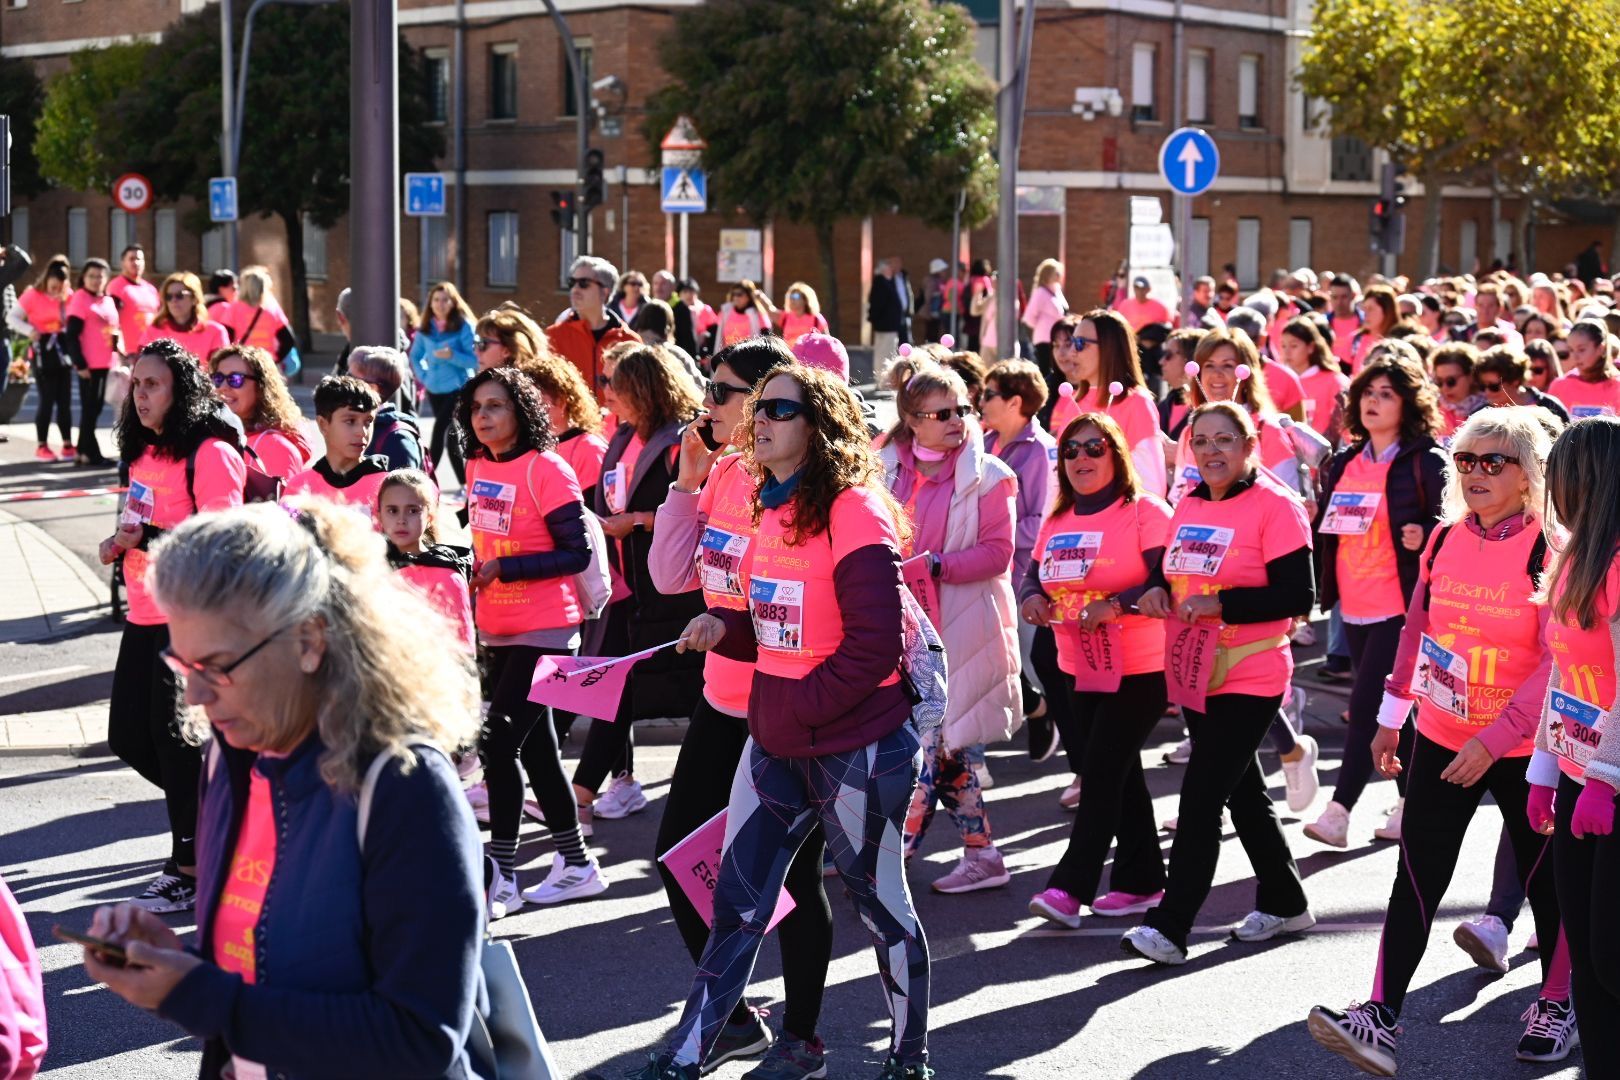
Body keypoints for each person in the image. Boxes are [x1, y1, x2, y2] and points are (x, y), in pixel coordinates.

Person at [81, 501, 489, 1079]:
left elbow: (420, 1037)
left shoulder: (403, 784)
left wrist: (202, 996)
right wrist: (177, 965)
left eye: (217, 666)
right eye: (183, 665)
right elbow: (261, 973)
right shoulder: (229, 757)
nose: (195, 695)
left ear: (309, 640)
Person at [626, 364, 931, 1080]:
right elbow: (774, 629)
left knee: (881, 907)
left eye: (780, 410)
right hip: (777, 742)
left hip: (858, 746)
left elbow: (872, 648)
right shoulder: (767, 503)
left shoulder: (856, 510)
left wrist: (792, 709)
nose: (759, 419)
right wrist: (723, 628)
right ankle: (690, 1051)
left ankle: (907, 1059)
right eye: (758, 407)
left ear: (820, 427)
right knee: (736, 901)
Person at [1308, 407, 1575, 1075]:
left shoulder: (1552, 546)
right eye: (1466, 460)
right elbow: (1417, 629)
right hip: (1441, 733)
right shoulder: (1445, 536)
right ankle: (1380, 1017)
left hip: (1527, 750)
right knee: (1416, 876)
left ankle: (1556, 1003)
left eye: (1494, 461)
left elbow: (1557, 660)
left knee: (1548, 884)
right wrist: (1392, 715)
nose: (1476, 472)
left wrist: (1497, 737)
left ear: (1528, 472)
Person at [647, 337, 838, 1076]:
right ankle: (732, 1018)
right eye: (711, 390)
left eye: (725, 393)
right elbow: (670, 577)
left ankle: (802, 1034)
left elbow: (796, 612)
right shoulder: (724, 472)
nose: (711, 405)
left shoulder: (807, 489)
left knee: (794, 878)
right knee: (680, 857)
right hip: (720, 703)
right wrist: (685, 484)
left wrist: (727, 628)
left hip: (787, 710)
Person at [1123, 401, 1316, 966]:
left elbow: (1299, 595)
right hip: (1195, 669)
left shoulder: (1277, 506)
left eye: (1224, 440)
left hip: (1253, 672)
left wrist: (1223, 604)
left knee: (1202, 796)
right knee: (1243, 792)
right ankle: (1285, 901)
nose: (1211, 451)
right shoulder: (1188, 501)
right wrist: (1156, 588)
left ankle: (1171, 926)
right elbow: (1171, 569)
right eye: (1201, 441)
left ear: (1248, 445)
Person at [99, 338, 248, 912]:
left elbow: (222, 541)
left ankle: (188, 866)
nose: (140, 395)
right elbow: (139, 517)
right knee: (127, 737)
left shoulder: (210, 451)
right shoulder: (143, 449)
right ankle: (221, 814)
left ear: (179, 391)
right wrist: (120, 543)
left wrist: (151, 538)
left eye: (153, 385)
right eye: (136, 384)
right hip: (144, 611)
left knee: (175, 744)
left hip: (190, 616)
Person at [459, 364, 605, 915]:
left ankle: (502, 874)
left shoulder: (547, 468)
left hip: (549, 629)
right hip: (496, 627)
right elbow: (486, 538)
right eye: (476, 408)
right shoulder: (476, 465)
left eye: (495, 405)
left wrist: (507, 569)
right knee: (537, 748)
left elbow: (576, 554)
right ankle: (577, 864)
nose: (484, 416)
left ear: (521, 411)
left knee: (498, 742)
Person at [1023, 412, 1173, 927]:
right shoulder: (1059, 518)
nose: (1080, 458)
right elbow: (1033, 576)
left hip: (1142, 667)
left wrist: (1117, 604)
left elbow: (1166, 579)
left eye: (1093, 447)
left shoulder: (1145, 511)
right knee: (1120, 774)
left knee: (1102, 774)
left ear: (1117, 455)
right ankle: (1142, 881)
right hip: (1078, 666)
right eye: (1071, 450)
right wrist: (1032, 598)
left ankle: (1070, 886)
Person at [879, 360, 1019, 893]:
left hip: (958, 628)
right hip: (896, 626)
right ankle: (982, 854)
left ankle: (891, 859)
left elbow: (998, 553)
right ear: (913, 420)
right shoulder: (882, 465)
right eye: (942, 413)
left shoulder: (991, 476)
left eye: (962, 409)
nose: (957, 420)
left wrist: (936, 565)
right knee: (943, 749)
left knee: (928, 745)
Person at [1303, 349, 1447, 847]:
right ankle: (1411, 805)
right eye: (1368, 392)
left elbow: (1454, 524)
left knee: (1367, 708)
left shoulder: (1426, 459)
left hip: (1401, 608)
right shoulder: (1344, 461)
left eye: (1387, 394)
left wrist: (1423, 533)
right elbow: (1330, 530)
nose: (1374, 401)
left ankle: (1339, 811)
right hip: (1354, 604)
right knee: (1397, 712)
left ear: (1408, 404)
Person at [571, 345, 707, 833]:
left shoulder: (681, 442)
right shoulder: (624, 435)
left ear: (645, 391)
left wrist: (639, 521)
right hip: (623, 585)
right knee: (615, 684)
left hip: (667, 590)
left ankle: (581, 796)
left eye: (617, 386)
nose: (606, 394)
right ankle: (601, 790)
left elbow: (701, 511)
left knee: (626, 686)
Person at [1525, 416, 1620, 1079]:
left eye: (1558, 475)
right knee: (1583, 951)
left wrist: (1605, 778)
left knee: (1612, 956)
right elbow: (1564, 669)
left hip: (1610, 787)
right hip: (1576, 775)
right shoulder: (1572, 554)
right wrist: (1544, 769)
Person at [1054, 309, 1168, 497]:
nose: (1071, 351)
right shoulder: (1074, 402)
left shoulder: (1137, 402)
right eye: (1072, 342)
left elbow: (1151, 487)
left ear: (1109, 348)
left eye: (1080, 343)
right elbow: (1058, 480)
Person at [379, 468, 474, 651]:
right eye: (392, 510)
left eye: (412, 511)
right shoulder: (371, 568)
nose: (401, 520)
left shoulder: (446, 577)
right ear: (378, 516)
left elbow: (462, 651)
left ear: (429, 517)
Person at [283, 376, 393, 517]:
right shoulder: (299, 487)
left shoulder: (387, 487)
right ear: (323, 424)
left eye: (368, 421)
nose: (362, 432)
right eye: (350, 421)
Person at [208, 344, 313, 481]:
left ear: (260, 387)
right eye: (218, 379)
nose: (223, 387)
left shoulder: (275, 447)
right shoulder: (214, 434)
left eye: (235, 379)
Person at [408, 281, 478, 487]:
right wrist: (424, 377)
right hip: (434, 388)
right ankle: (464, 485)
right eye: (436, 300)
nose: (440, 304)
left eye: (445, 300)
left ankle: (424, 481)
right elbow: (415, 356)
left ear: (453, 302)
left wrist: (452, 355)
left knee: (439, 430)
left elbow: (474, 360)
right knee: (451, 435)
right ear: (430, 303)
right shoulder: (426, 328)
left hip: (458, 388)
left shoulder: (464, 326)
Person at [520, 350, 610, 507]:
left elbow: (595, 512)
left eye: (534, 403)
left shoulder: (589, 449)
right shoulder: (531, 445)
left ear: (561, 402)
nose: (527, 410)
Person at [9, 255, 75, 461]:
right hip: (42, 355)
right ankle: (42, 446)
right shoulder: (33, 295)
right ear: (46, 279)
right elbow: (11, 317)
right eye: (53, 286)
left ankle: (67, 444)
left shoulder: (68, 296)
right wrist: (30, 331)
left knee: (64, 401)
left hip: (62, 354)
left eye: (60, 287)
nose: (56, 291)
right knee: (47, 400)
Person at [64, 258, 124, 467]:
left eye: (100, 276)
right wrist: (80, 364)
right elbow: (71, 336)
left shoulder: (107, 300)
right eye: (91, 276)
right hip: (89, 365)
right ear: (84, 278)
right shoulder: (80, 298)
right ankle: (91, 453)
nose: (96, 280)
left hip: (105, 362)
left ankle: (82, 452)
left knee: (94, 409)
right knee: (90, 409)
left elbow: (113, 329)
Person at [550, 256, 641, 391]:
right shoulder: (553, 337)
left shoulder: (630, 341)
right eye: (572, 282)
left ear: (605, 292)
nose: (575, 289)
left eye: (584, 283)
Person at [347, 346, 425, 471]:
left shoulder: (398, 440)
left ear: (372, 388)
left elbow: (406, 484)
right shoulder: (350, 423)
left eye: (351, 378)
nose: (344, 382)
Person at [1278, 316, 1349, 442]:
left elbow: (1342, 427)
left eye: (1294, 346)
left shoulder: (1335, 381)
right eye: (1283, 346)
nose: (1287, 352)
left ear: (1311, 347)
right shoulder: (1279, 380)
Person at [141, 272, 230, 363]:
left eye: (179, 295)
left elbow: (221, 368)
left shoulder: (216, 331)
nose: (174, 300)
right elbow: (143, 365)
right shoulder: (153, 331)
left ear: (194, 299)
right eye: (169, 297)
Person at [1474, 344, 1571, 424]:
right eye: (1482, 386)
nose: (1487, 392)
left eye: (1493, 386)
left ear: (1514, 380)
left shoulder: (1550, 407)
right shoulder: (1480, 416)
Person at [226, 266, 297, 369]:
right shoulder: (273, 308)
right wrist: (276, 359)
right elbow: (288, 339)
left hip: (242, 362)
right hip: (266, 362)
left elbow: (226, 338)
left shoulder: (234, 308)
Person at [1548, 318, 1620, 418]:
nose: (1575, 357)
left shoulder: (1617, 387)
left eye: (1581, 350)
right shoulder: (1560, 386)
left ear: (1601, 348)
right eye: (1571, 350)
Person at [107, 245, 160, 363]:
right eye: (131, 259)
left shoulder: (151, 289)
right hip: (128, 355)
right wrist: (117, 351)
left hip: (151, 352)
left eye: (139, 259)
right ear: (122, 263)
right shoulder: (116, 287)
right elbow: (110, 322)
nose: (136, 262)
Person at [1023, 259, 1068, 395]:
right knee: (1046, 371)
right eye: (1056, 273)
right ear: (1048, 274)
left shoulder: (1057, 290)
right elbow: (1029, 317)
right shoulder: (1040, 293)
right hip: (1044, 339)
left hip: (1057, 339)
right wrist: (1043, 326)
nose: (1059, 276)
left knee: (1058, 370)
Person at [868, 257, 915, 361]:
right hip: (885, 325)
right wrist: (876, 320)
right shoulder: (881, 282)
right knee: (884, 353)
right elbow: (878, 304)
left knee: (891, 351)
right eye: (889, 267)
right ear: (884, 270)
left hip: (893, 324)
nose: (892, 269)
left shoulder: (889, 282)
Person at [1350, 284, 1398, 374]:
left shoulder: (1398, 344)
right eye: (1364, 308)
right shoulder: (1356, 339)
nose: (1365, 313)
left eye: (1371, 309)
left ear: (1387, 311)